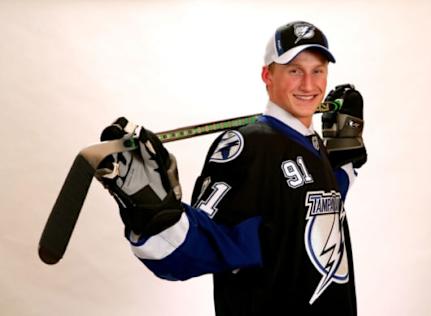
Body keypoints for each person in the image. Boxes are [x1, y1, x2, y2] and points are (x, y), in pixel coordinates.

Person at [97, 20, 367, 316]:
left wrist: (346, 149)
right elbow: (212, 243)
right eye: (294, 70)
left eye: (318, 71)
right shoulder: (248, 146)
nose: (308, 84)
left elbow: (315, 204)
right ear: (268, 75)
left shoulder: (312, 144)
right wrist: (156, 219)